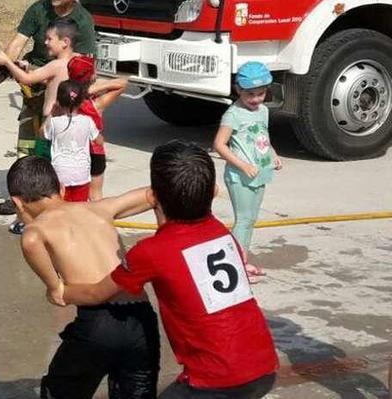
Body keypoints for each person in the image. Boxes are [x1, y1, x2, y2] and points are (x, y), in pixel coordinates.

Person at [60, 140, 279, 398]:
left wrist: (61, 292)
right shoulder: (219, 230)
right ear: (213, 192)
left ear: (153, 196)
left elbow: (98, 293)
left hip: (214, 379)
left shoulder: (151, 251)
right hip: (264, 367)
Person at [7, 155, 160, 399]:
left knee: (59, 391)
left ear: (17, 201)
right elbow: (155, 194)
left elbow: (58, 294)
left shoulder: (36, 231)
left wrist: (55, 289)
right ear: (61, 188)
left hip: (98, 325)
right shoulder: (100, 208)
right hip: (141, 319)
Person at [0, 0, 98, 217]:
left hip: (61, 93)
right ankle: (20, 194)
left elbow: (82, 65)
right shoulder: (39, 8)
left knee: (53, 147)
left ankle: (52, 196)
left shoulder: (82, 21)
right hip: (34, 83)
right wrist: (5, 67)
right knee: (27, 141)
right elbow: (19, 41)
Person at [213, 61, 282, 283]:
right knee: (243, 219)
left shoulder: (262, 111)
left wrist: (273, 154)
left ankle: (241, 260)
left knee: (250, 219)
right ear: (238, 90)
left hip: (259, 173)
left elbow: (263, 138)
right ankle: (235, 265)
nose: (256, 99)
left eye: (261, 93)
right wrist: (242, 165)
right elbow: (219, 144)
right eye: (250, 94)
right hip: (239, 177)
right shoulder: (233, 115)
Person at [67, 55, 128, 201]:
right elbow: (122, 83)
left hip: (72, 152)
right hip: (94, 152)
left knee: (69, 195)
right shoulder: (97, 103)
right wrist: (94, 89)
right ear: (92, 76)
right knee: (95, 196)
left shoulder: (63, 100)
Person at [41, 80, 101, 202]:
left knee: (61, 208)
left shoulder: (54, 123)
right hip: (82, 173)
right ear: (81, 101)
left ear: (58, 101)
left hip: (60, 173)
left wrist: (51, 113)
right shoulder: (87, 121)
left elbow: (42, 134)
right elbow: (98, 140)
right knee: (79, 206)